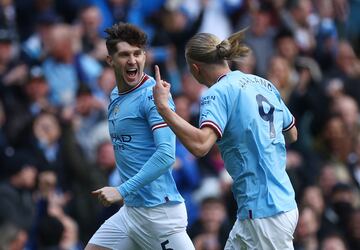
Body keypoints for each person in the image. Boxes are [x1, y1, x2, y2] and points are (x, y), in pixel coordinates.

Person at [153, 30, 299, 249]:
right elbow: (292, 133)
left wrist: (164, 109)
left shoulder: (216, 93)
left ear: (195, 68)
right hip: (276, 204)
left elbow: (201, 145)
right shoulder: (262, 82)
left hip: (264, 213)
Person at [85, 22, 194, 250]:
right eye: (125, 55)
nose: (132, 60)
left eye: (137, 53)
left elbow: (166, 156)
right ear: (110, 61)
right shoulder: (115, 93)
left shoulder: (154, 97)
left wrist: (120, 190)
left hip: (159, 214)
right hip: (132, 212)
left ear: (145, 56)